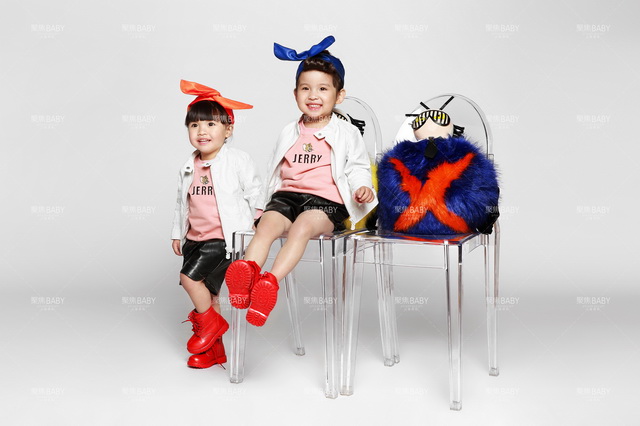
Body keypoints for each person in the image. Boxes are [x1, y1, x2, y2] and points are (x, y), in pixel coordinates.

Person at [224, 36, 377, 327]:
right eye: (305, 88)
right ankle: (246, 274)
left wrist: (362, 187)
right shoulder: (288, 131)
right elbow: (274, 171)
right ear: (295, 94)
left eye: (323, 89)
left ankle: (269, 283)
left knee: (303, 226)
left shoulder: (346, 132)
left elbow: (357, 166)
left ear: (339, 96)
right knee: (267, 226)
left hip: (325, 204)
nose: (313, 95)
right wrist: (261, 209)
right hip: (286, 197)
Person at [171, 80, 261, 367]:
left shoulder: (236, 160)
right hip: (194, 239)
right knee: (210, 294)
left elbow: (256, 191)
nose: (202, 131)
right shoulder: (189, 165)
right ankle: (214, 351)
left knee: (189, 278)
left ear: (228, 130)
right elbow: (182, 203)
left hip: (223, 240)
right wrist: (177, 233)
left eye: (211, 124)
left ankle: (211, 325)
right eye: (194, 125)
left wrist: (257, 221)